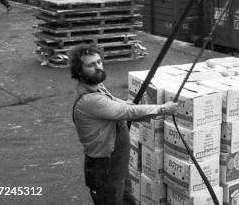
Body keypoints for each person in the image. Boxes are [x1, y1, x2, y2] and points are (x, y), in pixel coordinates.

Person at [70, 44, 179, 205]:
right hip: (105, 166)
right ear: (79, 71)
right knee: (111, 199)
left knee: (126, 197)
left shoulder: (97, 87)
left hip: (116, 163)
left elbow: (115, 102)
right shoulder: (89, 100)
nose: (98, 67)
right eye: (91, 65)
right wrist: (162, 108)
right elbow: (126, 112)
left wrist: (126, 103)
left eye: (99, 62)